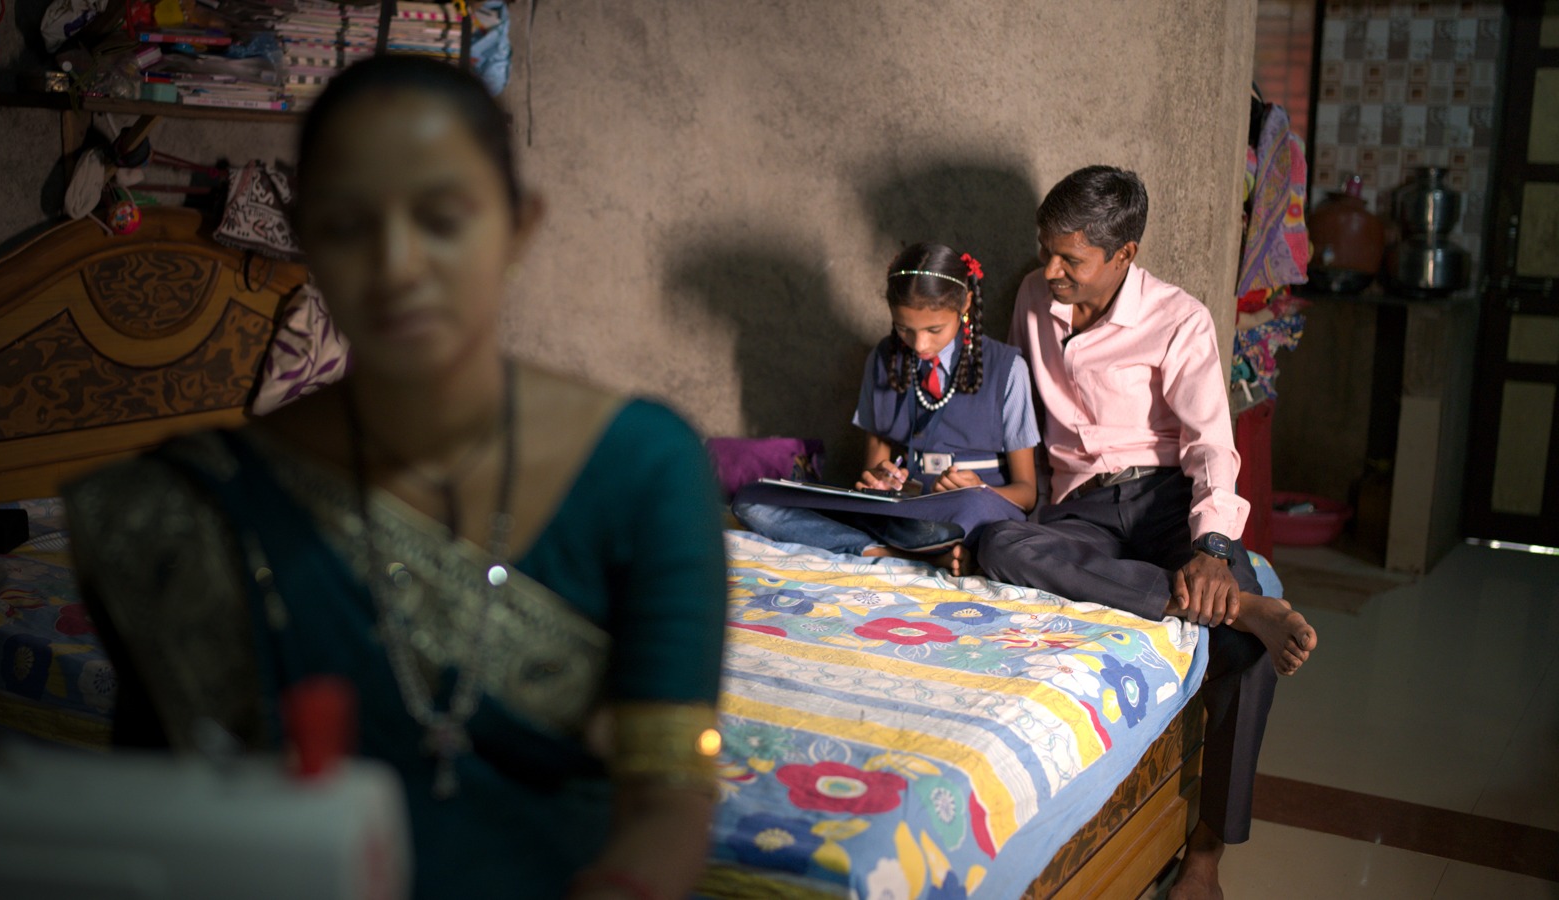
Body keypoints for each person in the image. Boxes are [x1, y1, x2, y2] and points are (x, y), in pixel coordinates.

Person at [65, 56, 728, 900]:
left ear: (518, 226)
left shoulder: (644, 466)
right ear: (303, 234)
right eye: (347, 224)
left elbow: (669, 797)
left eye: (442, 217)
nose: (397, 263)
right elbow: (172, 822)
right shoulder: (195, 509)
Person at [974, 166, 1318, 900]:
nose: (1051, 270)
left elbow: (1208, 447)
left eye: (1072, 259)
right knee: (1000, 547)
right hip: (1079, 506)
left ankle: (1203, 860)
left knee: (1246, 647)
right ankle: (1183, 598)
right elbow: (1017, 417)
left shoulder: (1179, 319)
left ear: (1125, 253)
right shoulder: (1033, 300)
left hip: (1165, 498)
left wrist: (1214, 551)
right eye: (1047, 251)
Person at [731, 242, 1039, 574]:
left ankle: (876, 546)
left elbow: (1027, 493)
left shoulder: (1008, 368)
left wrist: (981, 489)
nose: (919, 344)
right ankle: (896, 554)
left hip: (965, 513)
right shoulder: (883, 359)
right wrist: (879, 480)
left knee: (968, 510)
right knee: (754, 501)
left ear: (964, 304)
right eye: (905, 328)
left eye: (934, 330)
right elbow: (874, 469)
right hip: (902, 512)